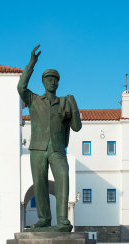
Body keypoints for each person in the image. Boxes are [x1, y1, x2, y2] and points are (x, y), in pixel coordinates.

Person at [18, 45, 82, 231]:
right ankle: (44, 218)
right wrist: (32, 63)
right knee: (39, 184)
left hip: (57, 149)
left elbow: (77, 128)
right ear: (44, 82)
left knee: (63, 177)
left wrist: (73, 107)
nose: (52, 82)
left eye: (55, 80)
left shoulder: (65, 102)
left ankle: (62, 220)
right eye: (48, 79)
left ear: (58, 83)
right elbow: (21, 86)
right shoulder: (34, 100)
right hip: (37, 148)